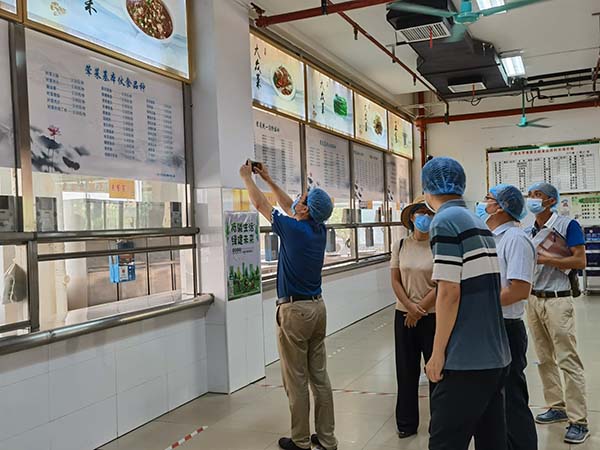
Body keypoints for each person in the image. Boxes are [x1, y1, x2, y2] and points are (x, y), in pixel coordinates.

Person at [240, 162, 337, 450]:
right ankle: (327, 439)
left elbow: (261, 204)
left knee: (296, 380)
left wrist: (247, 178)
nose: (296, 199)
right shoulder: (318, 229)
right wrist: (268, 178)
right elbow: (288, 205)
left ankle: (301, 441)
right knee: (319, 378)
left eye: (302, 199)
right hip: (318, 309)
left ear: (305, 210)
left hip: (295, 313)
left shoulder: (294, 230)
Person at [422, 157, 511, 450]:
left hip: (466, 360)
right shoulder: (476, 221)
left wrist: (437, 353)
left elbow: (449, 291)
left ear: (427, 188)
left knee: (445, 442)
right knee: (492, 441)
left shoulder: (444, 221)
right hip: (495, 356)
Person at [525, 182, 589, 444]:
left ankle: (579, 420)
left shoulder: (567, 225)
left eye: (538, 195)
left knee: (567, 358)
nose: (532, 199)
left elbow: (580, 260)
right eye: (530, 195)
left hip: (558, 300)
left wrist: (547, 259)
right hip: (533, 299)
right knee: (544, 358)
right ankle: (556, 405)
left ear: (551, 201)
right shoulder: (529, 230)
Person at [476, 184, 538, 450]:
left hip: (506, 328)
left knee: (512, 397)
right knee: (495, 398)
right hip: (491, 325)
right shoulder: (493, 237)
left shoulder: (515, 239)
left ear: (501, 207)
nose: (482, 204)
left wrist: (478, 303)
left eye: (487, 199)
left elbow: (519, 290)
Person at [390, 195, 437, 439]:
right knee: (406, 370)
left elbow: (442, 283)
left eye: (429, 213)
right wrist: (410, 307)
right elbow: (395, 279)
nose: (424, 217)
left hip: (434, 316)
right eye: (420, 213)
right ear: (411, 217)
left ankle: (438, 423)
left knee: (435, 370)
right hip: (403, 315)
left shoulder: (439, 246)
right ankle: (406, 423)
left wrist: (419, 309)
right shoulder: (400, 245)